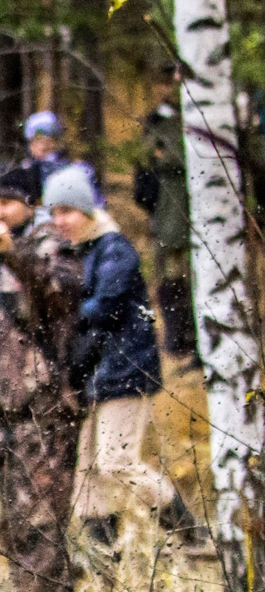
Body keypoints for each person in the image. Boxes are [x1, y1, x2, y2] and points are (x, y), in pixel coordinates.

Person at [44, 166, 213, 554]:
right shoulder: (79, 252)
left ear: (87, 210)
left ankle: (190, 532)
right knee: (86, 470)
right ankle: (103, 555)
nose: (60, 221)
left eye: (67, 211)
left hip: (124, 370)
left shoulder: (113, 249)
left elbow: (104, 307)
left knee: (116, 461)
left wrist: (62, 309)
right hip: (94, 375)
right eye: (54, 213)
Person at [0, 162, 85, 592]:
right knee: (14, 527)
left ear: (28, 205)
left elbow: (59, 298)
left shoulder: (52, 247)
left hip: (45, 412)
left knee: (41, 523)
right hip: (0, 418)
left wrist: (13, 252)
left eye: (5, 202)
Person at [135, 69, 197, 357]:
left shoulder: (196, 116)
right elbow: (144, 165)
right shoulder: (155, 120)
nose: (166, 89)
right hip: (167, 211)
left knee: (189, 275)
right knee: (171, 278)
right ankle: (178, 339)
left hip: (189, 209)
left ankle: (192, 340)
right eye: (161, 82)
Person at [23, 111, 104, 208]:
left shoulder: (79, 170)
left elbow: (96, 206)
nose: (41, 146)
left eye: (47, 140)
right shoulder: (24, 172)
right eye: (35, 141)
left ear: (57, 141)